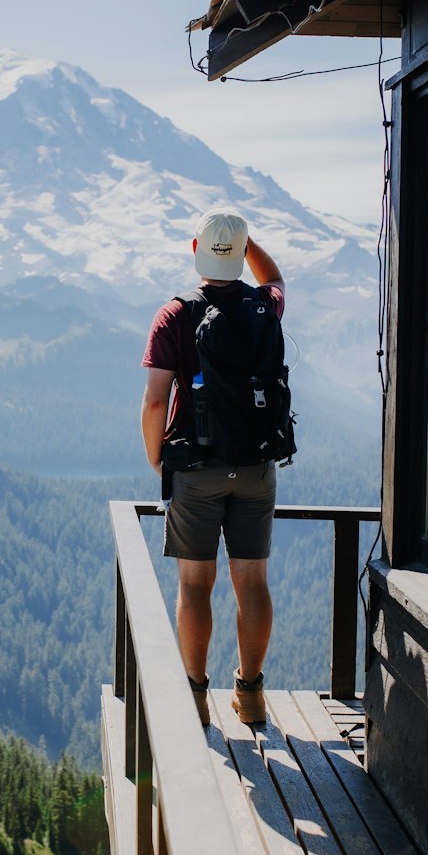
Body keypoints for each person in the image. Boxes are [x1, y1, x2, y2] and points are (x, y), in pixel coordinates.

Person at [140, 208, 286, 728]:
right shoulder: (265, 306)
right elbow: (275, 279)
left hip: (195, 468)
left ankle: (196, 697)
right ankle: (249, 695)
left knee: (195, 587)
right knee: (252, 581)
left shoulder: (174, 315)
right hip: (255, 465)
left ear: (195, 247)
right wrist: (246, 246)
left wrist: (159, 459)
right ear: (242, 253)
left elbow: (157, 401)